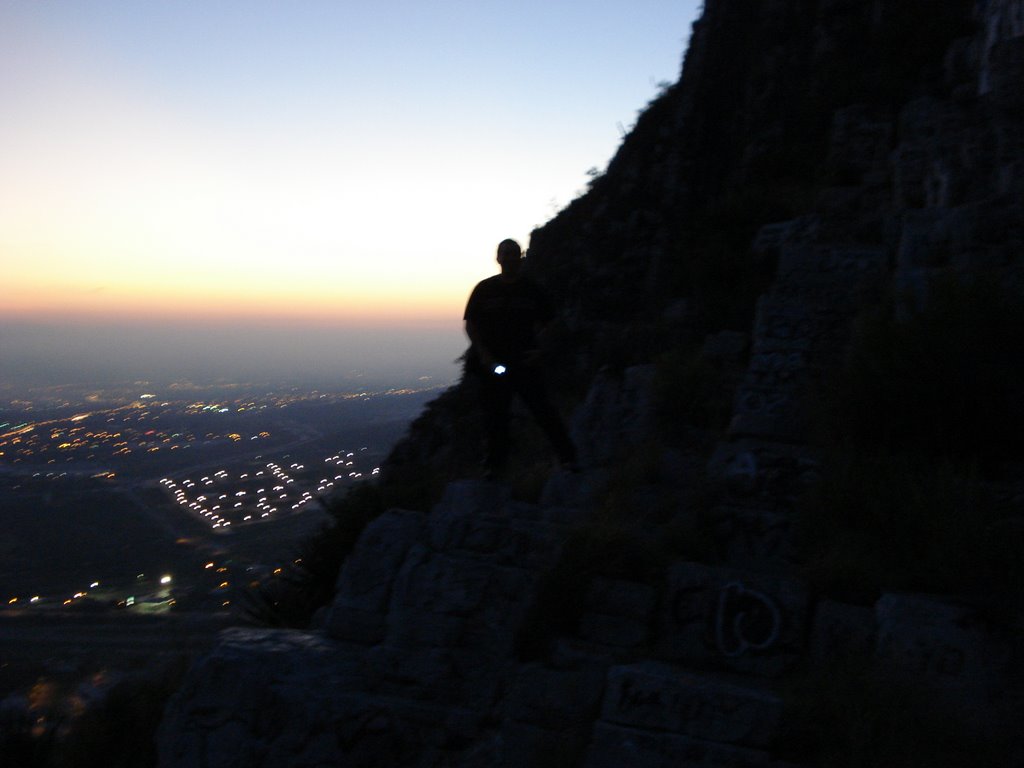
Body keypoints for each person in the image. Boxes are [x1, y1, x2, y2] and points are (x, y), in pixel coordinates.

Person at [464, 238, 578, 477]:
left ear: (520, 258)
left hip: (525, 362)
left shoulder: (532, 289)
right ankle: (495, 467)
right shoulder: (484, 289)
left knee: (544, 412)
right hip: (494, 365)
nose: (508, 259)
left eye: (513, 254)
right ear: (497, 258)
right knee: (495, 417)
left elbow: (552, 322)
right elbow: (471, 324)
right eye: (505, 254)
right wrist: (485, 356)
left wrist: (541, 351)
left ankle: (568, 459)